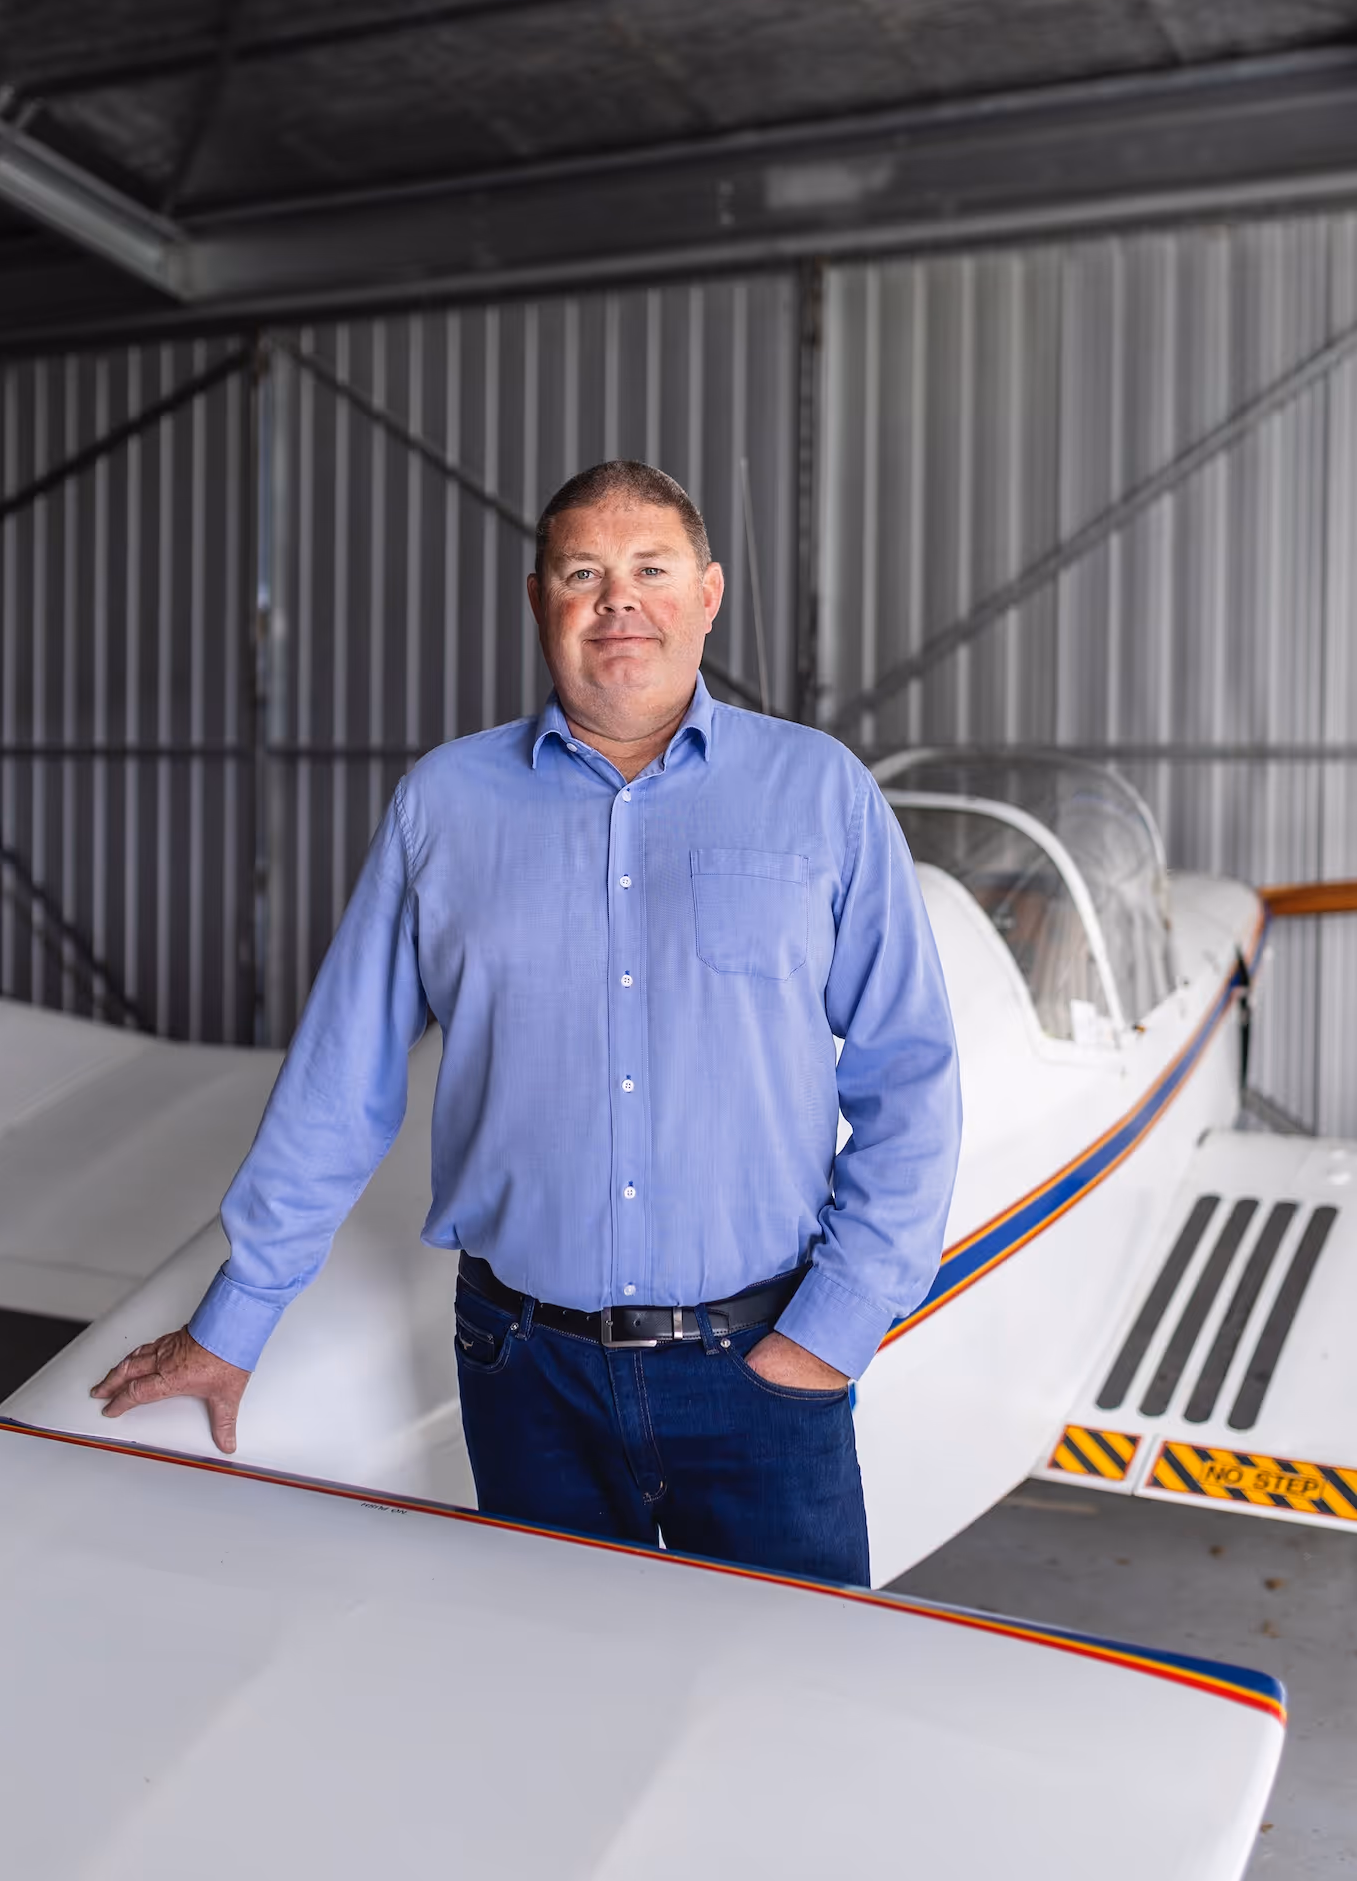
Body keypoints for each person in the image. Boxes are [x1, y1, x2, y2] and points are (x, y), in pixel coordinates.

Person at [93, 461, 961, 1586]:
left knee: (790, 1712)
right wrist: (231, 1323)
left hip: (761, 1364)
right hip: (523, 1374)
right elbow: (338, 1082)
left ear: (708, 593)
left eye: (650, 569)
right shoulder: (444, 806)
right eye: (583, 572)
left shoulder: (821, 793)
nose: (618, 600)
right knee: (555, 1712)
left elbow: (911, 1077)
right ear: (539, 597)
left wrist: (829, 1336)